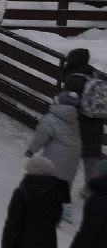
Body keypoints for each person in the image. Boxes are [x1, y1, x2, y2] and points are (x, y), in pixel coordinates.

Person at [28, 76, 87, 218]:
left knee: (49, 180)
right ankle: (66, 209)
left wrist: (31, 150)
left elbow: (40, 136)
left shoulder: (51, 118)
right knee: (64, 182)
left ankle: (47, 209)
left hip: (55, 157)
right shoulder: (73, 119)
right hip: (74, 155)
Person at [63, 49, 103, 208]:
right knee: (91, 162)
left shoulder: (73, 80)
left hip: (77, 127)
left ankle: (64, 196)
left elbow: (68, 105)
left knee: (69, 163)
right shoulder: (94, 75)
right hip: (96, 125)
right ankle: (90, 190)